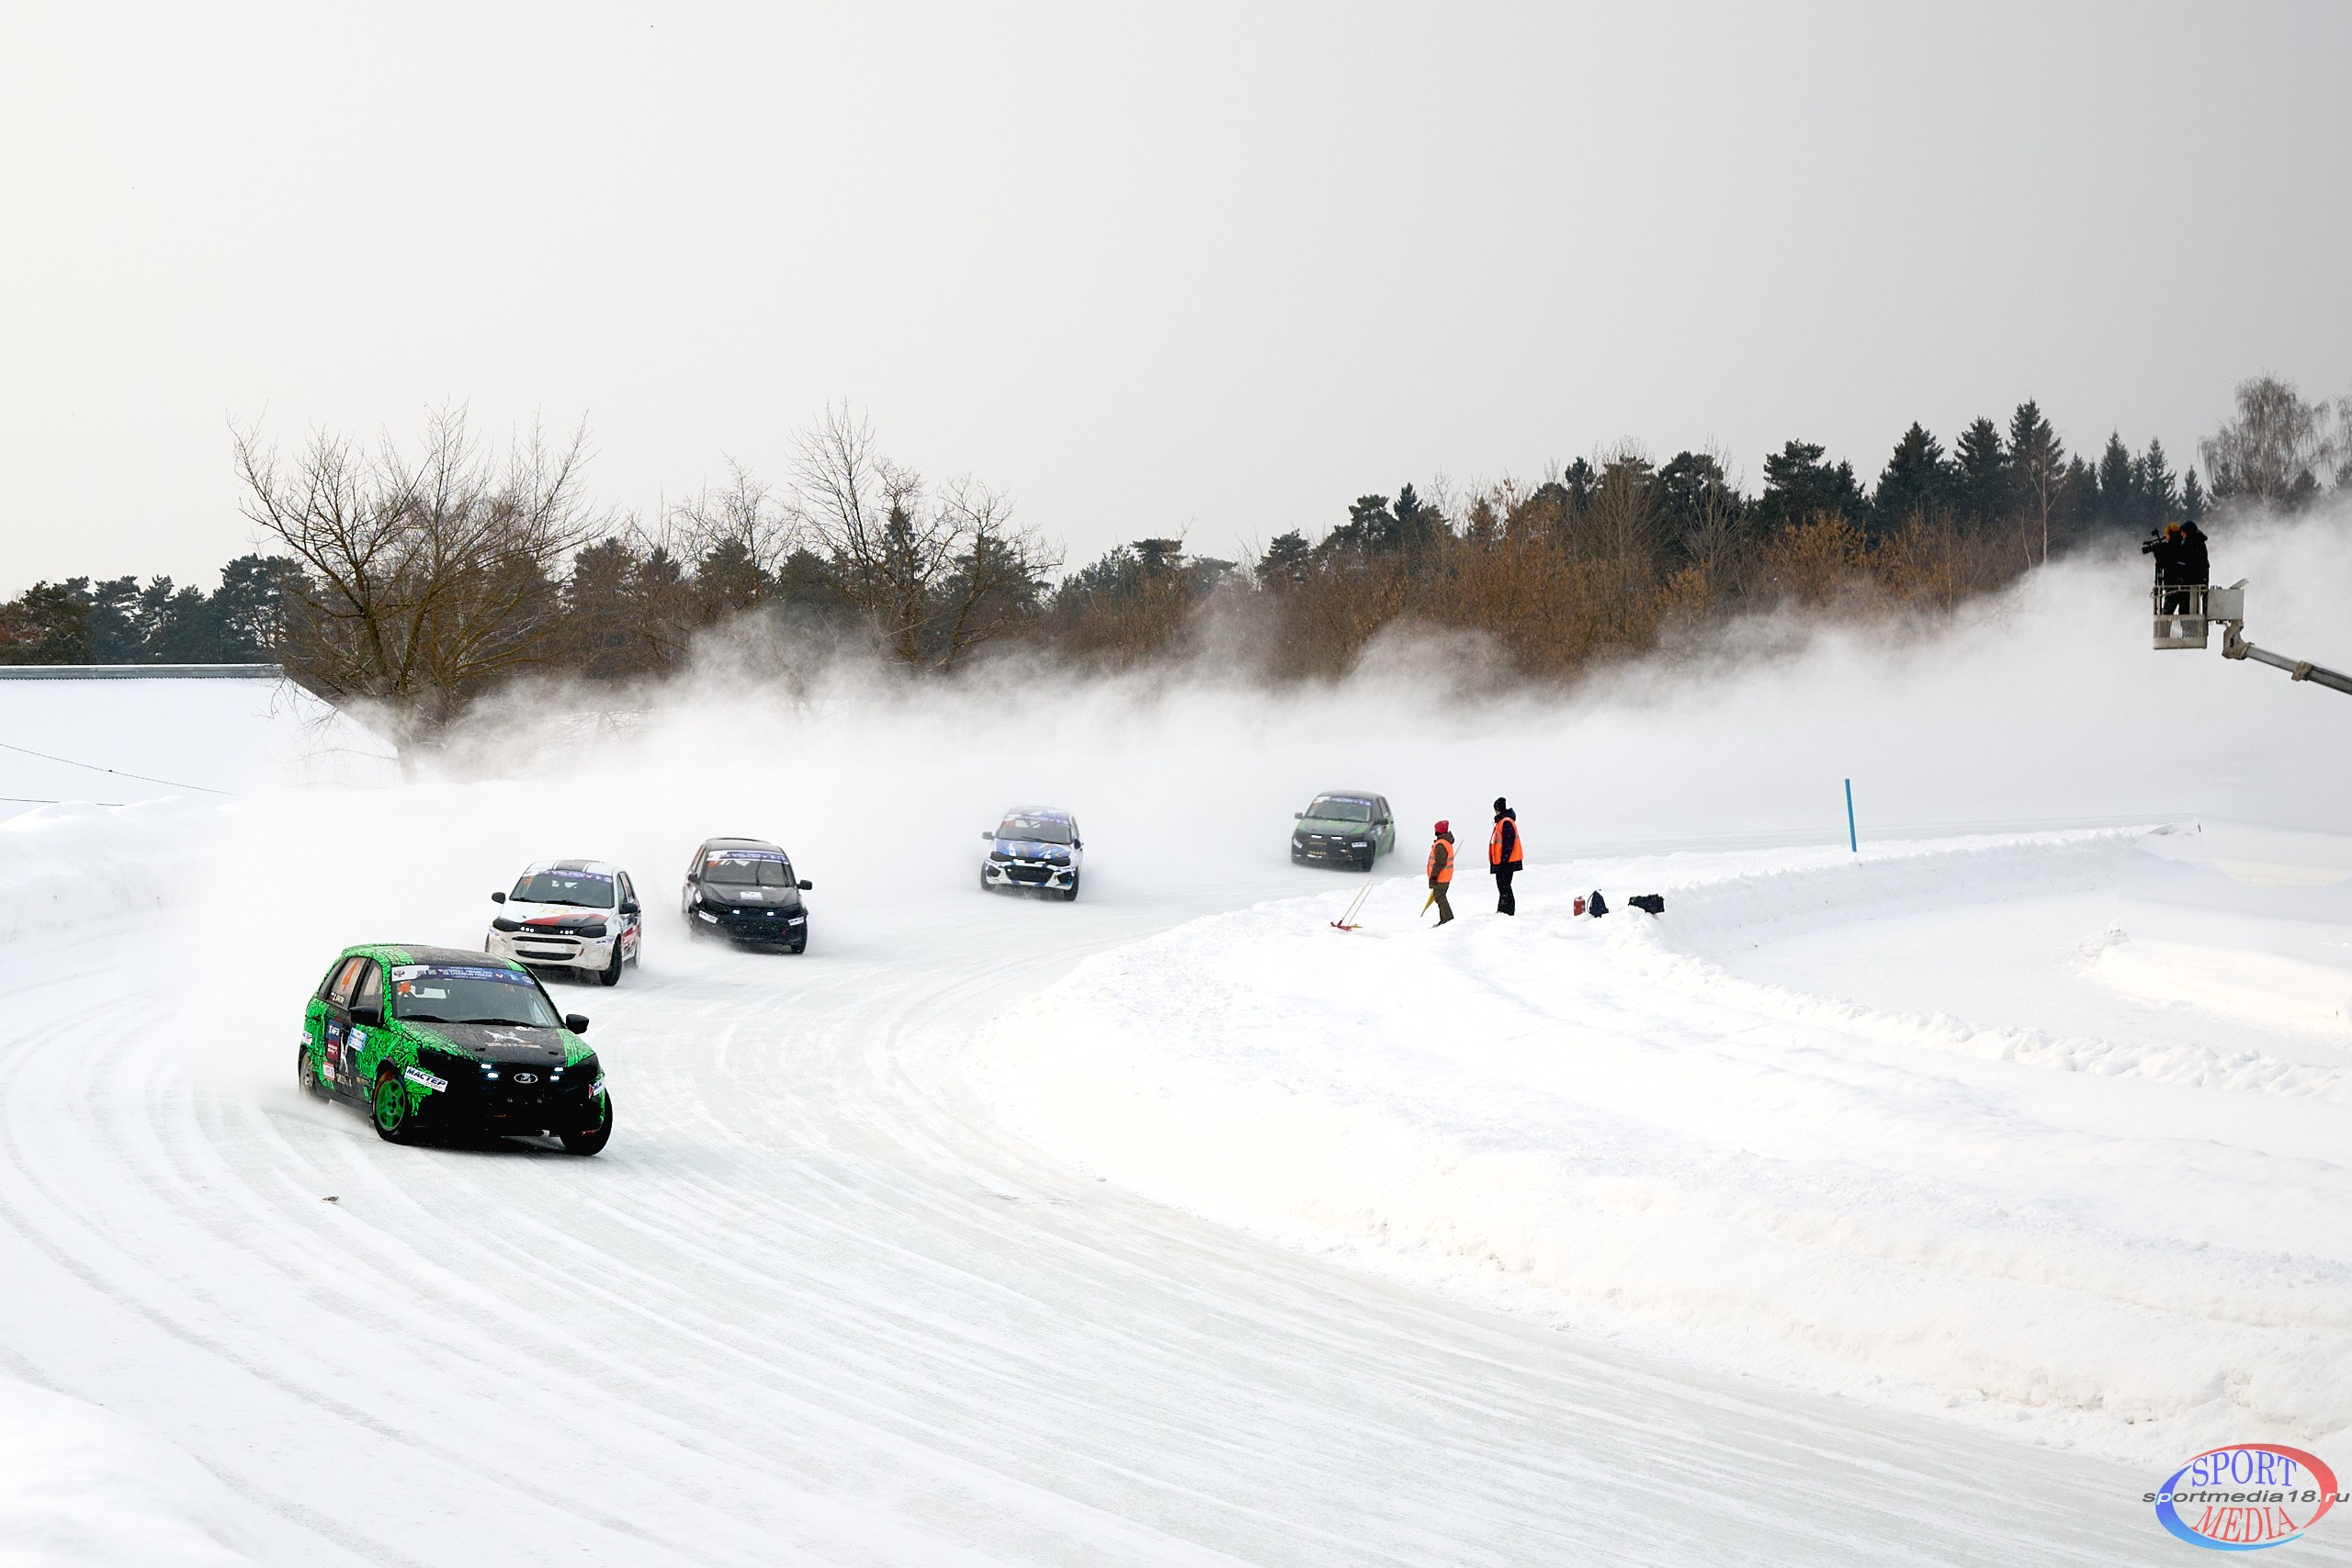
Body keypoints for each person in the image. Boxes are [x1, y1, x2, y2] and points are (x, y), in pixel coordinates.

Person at [1488, 797, 1522, 916]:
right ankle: (1503, 910)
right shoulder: (1502, 822)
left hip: (1507, 862)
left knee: (1504, 886)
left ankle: (1507, 911)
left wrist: (1504, 860)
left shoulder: (1506, 822)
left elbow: (1508, 843)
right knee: (1502, 886)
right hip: (1503, 861)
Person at [1425, 820, 1456, 926]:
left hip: (1441, 877)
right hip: (1445, 876)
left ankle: (1448, 920)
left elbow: (1439, 863)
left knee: (1440, 898)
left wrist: (1434, 876)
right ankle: (1444, 920)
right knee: (1440, 898)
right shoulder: (1446, 842)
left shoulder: (1441, 845)